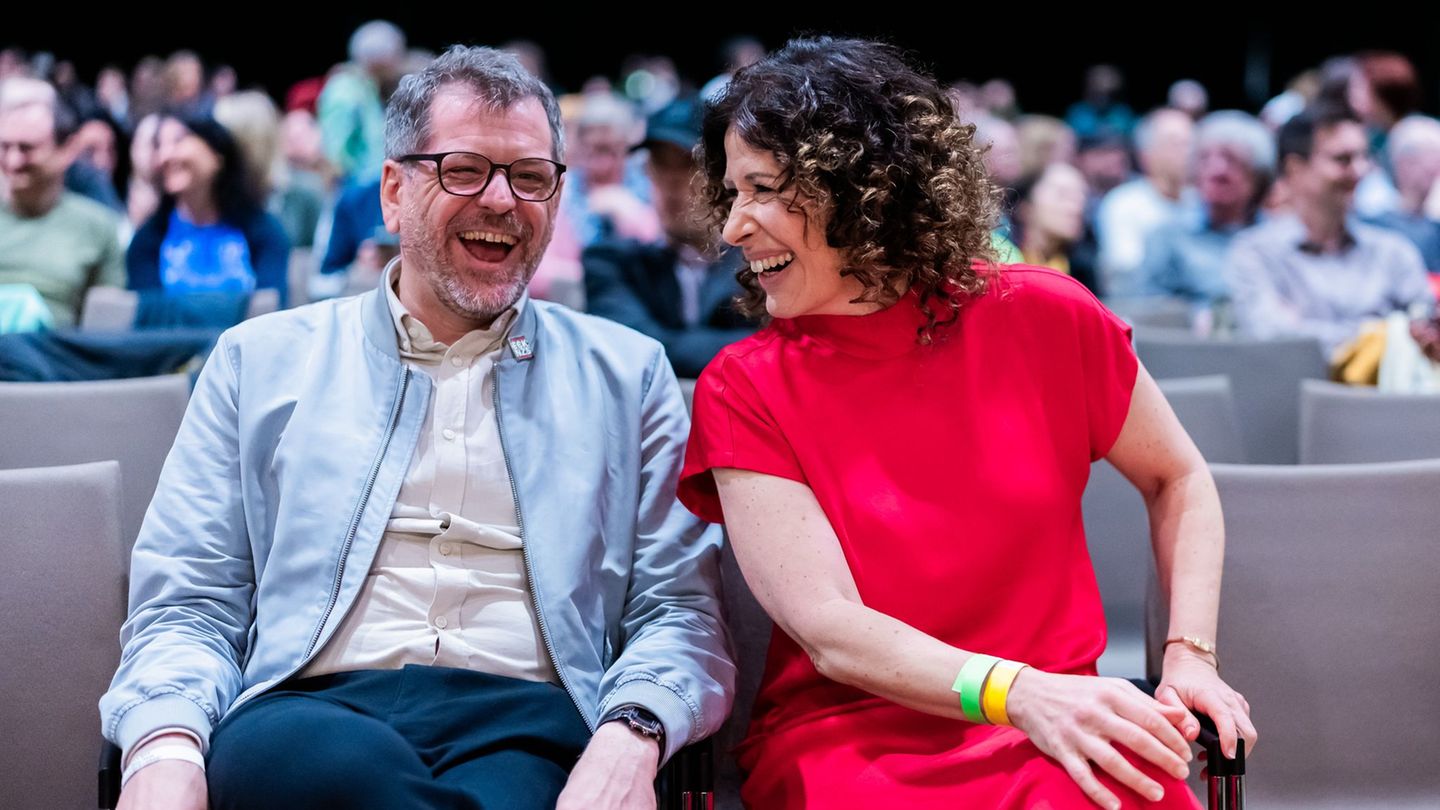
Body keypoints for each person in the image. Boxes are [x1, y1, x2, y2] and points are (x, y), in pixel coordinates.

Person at [103, 45, 733, 810]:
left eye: (530, 176)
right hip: (311, 704)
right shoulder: (258, 361)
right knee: (319, 772)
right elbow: (189, 599)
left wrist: (633, 735)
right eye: (465, 169)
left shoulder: (629, 376)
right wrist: (162, 749)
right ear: (394, 192)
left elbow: (678, 610)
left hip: (532, 720)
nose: (502, 200)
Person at [677, 37, 1256, 809]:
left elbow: (1178, 477)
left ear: (862, 187)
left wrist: (1189, 656)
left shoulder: (1048, 316)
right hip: (855, 737)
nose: (732, 228)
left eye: (764, 188)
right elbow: (828, 627)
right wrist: (1019, 694)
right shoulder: (743, 386)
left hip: (1060, 720)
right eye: (732, 192)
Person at [1225, 105, 1432, 355]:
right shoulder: (1255, 252)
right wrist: (1385, 336)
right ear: (1294, 168)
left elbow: (1428, 332)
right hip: (1293, 392)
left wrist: (1304, 329)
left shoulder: (1393, 251)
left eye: (1364, 157)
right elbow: (1273, 340)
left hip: (1388, 393)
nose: (1359, 171)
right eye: (1343, 159)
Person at [584, 96, 754, 378]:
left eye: (688, 163)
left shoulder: (755, 265)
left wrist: (662, 345)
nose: (672, 182)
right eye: (660, 164)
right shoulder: (610, 262)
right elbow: (626, 351)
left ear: (723, 175)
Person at [125, 110, 291, 307]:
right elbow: (148, 319)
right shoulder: (147, 241)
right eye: (158, 146)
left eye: (178, 141)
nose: (164, 156)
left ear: (217, 154)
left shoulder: (263, 232)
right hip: (170, 340)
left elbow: (269, 310)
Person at [0, 77, 124, 327]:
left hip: (54, 359)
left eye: (26, 148)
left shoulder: (98, 226)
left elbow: (108, 330)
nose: (13, 161)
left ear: (67, 149)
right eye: (4, 147)